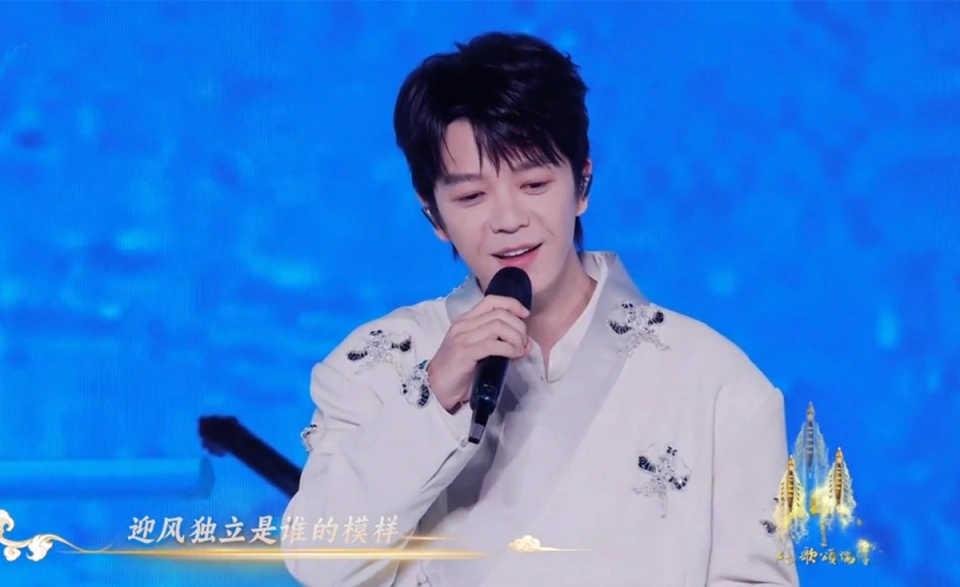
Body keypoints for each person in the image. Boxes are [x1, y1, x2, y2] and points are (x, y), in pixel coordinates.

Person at [281, 31, 801, 587]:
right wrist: (434, 396)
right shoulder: (376, 363)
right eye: (471, 196)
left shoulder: (717, 382)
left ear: (582, 184)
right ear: (433, 214)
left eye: (533, 183)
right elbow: (317, 559)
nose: (508, 220)